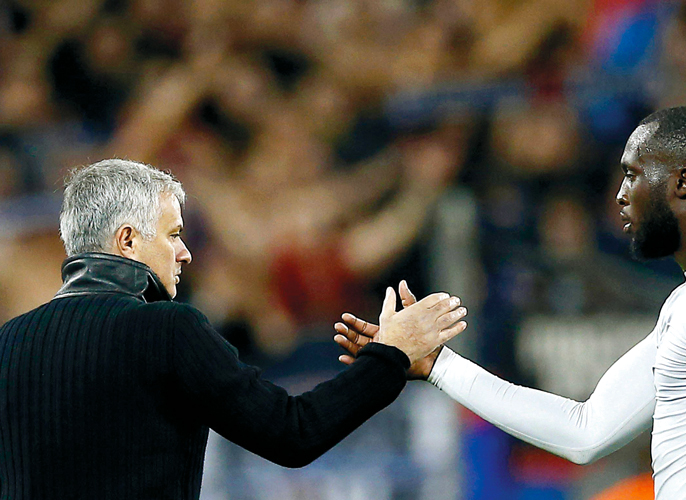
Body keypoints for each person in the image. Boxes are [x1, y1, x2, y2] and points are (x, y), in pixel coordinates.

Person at [335, 106, 686, 499]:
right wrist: (438, 365)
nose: (620, 197)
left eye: (634, 176)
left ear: (682, 182)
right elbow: (586, 430)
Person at [0, 158, 468, 499]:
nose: (185, 253)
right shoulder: (166, 328)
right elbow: (294, 433)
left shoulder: (7, 341)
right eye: (173, 234)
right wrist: (391, 354)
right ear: (127, 240)